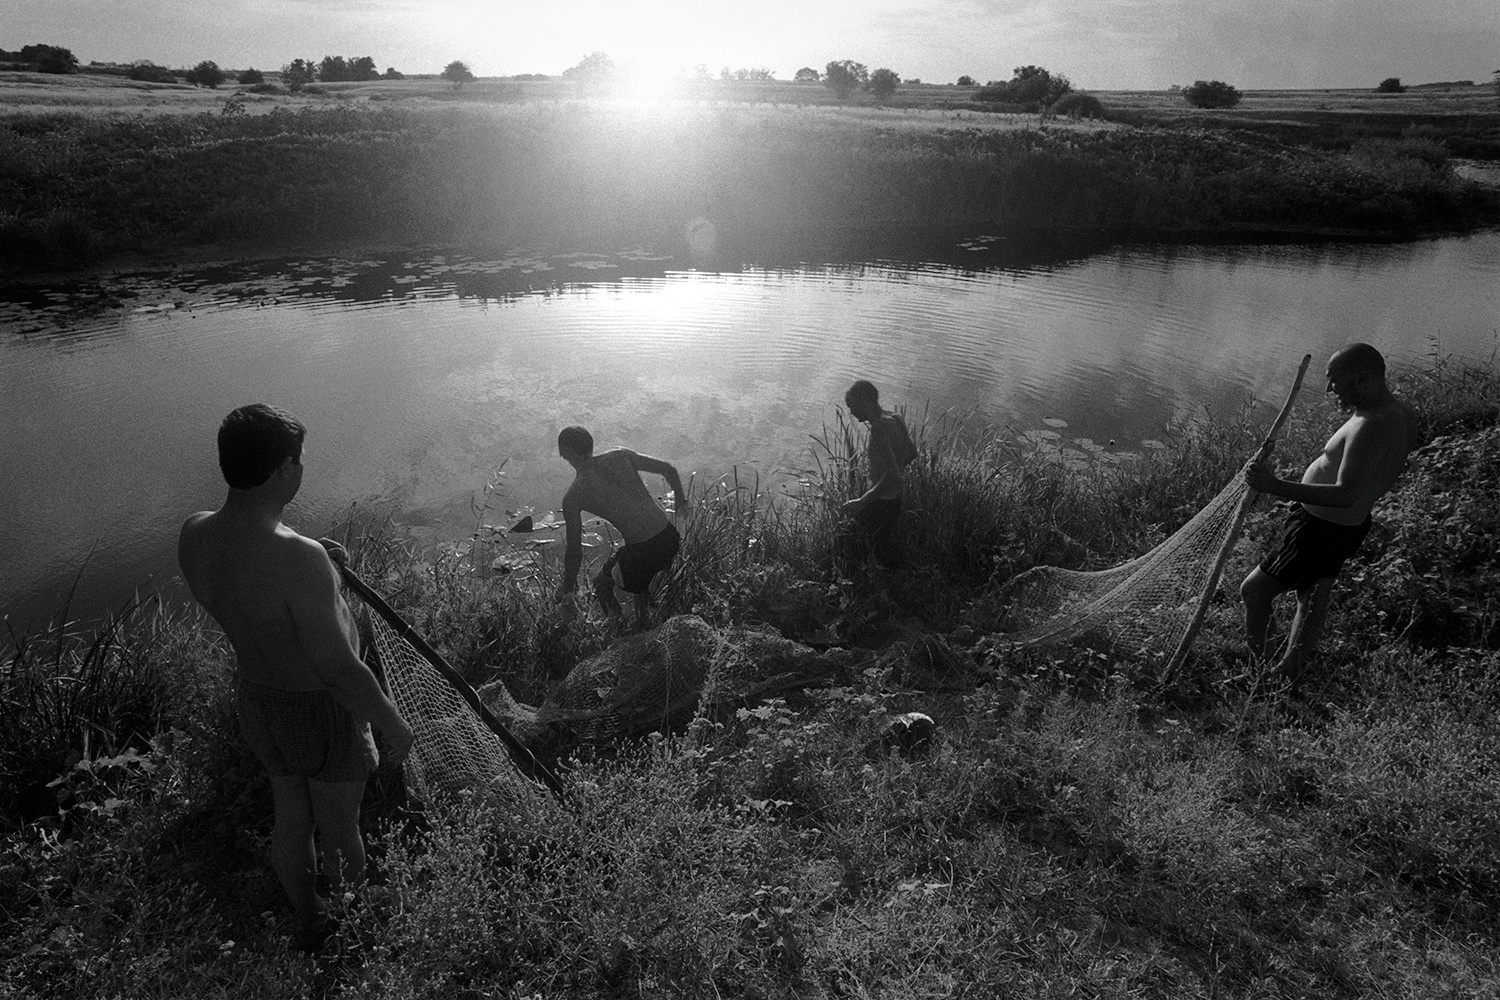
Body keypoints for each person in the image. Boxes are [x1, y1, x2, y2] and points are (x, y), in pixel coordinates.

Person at [178, 403, 414, 953]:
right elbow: (337, 670)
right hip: (320, 711)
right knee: (339, 830)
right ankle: (359, 936)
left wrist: (318, 564)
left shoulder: (194, 535)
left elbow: (256, 574)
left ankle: (309, 922)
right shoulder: (297, 557)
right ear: (285, 469)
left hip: (259, 700)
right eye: (299, 461)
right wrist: (392, 723)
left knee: (291, 815)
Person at [1240, 344, 1418, 678]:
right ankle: (1287, 673)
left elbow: (1346, 494)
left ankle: (1263, 677)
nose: (1329, 390)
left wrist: (1273, 485)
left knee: (1254, 591)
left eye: (1335, 381)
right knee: (1312, 595)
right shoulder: (1399, 413)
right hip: (1344, 528)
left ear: (1362, 377)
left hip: (1320, 529)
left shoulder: (1372, 424)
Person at [556, 425, 685, 626]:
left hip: (644, 551)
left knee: (601, 584)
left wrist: (567, 590)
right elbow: (669, 470)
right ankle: (645, 617)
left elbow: (574, 552)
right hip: (669, 538)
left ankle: (620, 628)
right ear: (590, 444)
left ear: (564, 454)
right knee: (631, 560)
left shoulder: (573, 496)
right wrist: (681, 502)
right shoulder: (620, 456)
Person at [839, 379, 918, 571]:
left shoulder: (879, 429)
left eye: (853, 406)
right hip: (894, 500)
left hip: (881, 502)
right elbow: (911, 453)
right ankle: (896, 583)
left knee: (844, 544)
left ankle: (854, 591)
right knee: (880, 549)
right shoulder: (896, 418)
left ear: (866, 402)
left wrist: (862, 501)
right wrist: (894, 471)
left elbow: (893, 476)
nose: (851, 412)